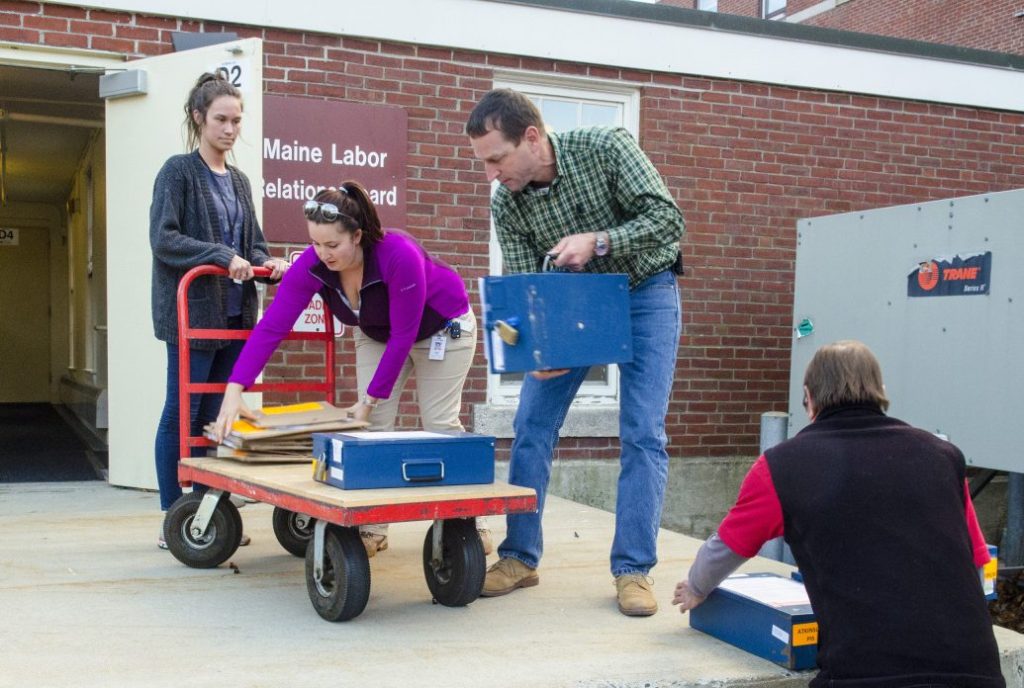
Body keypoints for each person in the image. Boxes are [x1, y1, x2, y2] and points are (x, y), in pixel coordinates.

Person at [466, 88, 685, 616]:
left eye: (496, 158)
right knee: (531, 424)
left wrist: (599, 241)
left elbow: (668, 220)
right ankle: (520, 556)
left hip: (644, 292)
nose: (491, 174)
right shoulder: (507, 202)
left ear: (533, 138)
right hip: (572, 304)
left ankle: (633, 569)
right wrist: (539, 347)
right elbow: (522, 287)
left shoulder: (606, 146)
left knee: (643, 432)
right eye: (483, 163)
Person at [673, 340, 1004, 687]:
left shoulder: (782, 466)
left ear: (808, 396)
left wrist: (696, 587)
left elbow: (727, 546)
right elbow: (978, 562)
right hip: (976, 673)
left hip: (865, 676)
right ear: (881, 392)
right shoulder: (943, 456)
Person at [211, 182, 488, 558]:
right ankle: (372, 528)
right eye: (315, 243)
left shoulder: (398, 253)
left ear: (357, 236)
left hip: (441, 329)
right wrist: (234, 389)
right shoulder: (313, 264)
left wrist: (369, 399)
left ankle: (467, 523)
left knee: (439, 424)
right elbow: (272, 327)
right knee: (370, 430)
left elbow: (404, 334)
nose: (322, 254)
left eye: (332, 245)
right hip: (376, 333)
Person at [151, 73, 289, 550]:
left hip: (235, 316)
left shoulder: (241, 180)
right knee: (182, 413)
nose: (231, 129)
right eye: (221, 120)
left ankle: (209, 512)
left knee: (218, 418)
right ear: (199, 118)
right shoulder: (178, 172)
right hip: (193, 318)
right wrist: (217, 255)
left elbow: (251, 243)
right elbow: (164, 238)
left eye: (237, 120)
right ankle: (175, 516)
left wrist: (266, 261)